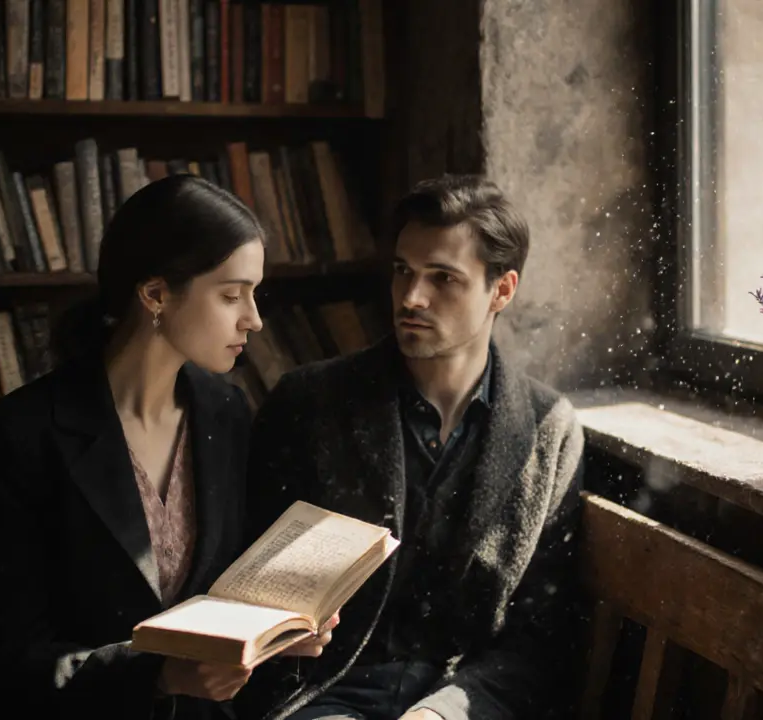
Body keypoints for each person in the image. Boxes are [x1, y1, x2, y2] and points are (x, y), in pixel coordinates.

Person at [0, 175, 335, 720]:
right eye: (231, 295)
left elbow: (228, 601)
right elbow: (1, 659)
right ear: (155, 294)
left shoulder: (225, 413)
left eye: (254, 293)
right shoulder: (15, 437)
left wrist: (281, 636)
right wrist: (156, 673)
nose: (253, 318)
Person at [243, 174, 585, 720]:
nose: (411, 297)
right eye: (403, 271)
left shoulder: (548, 431)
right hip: (322, 696)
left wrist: (443, 714)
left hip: (464, 703)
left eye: (443, 278)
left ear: (502, 290)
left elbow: (538, 641)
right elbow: (246, 598)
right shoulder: (308, 403)